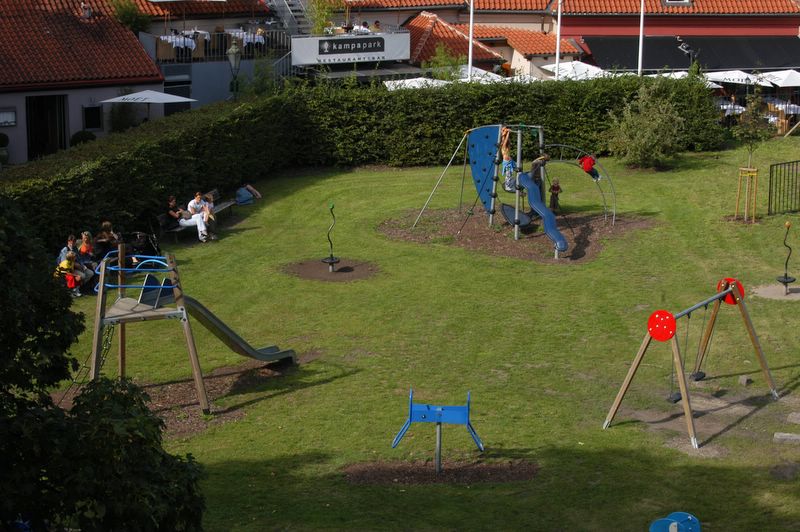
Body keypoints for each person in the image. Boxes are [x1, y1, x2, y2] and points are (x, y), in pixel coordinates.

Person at [500, 126, 517, 193]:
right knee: (508, 174)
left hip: (510, 161)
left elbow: (506, 140)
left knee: (516, 169)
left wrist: (505, 132)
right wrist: (508, 132)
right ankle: (508, 186)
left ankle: (515, 181)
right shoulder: (503, 147)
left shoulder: (507, 147)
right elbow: (505, 141)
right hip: (507, 163)